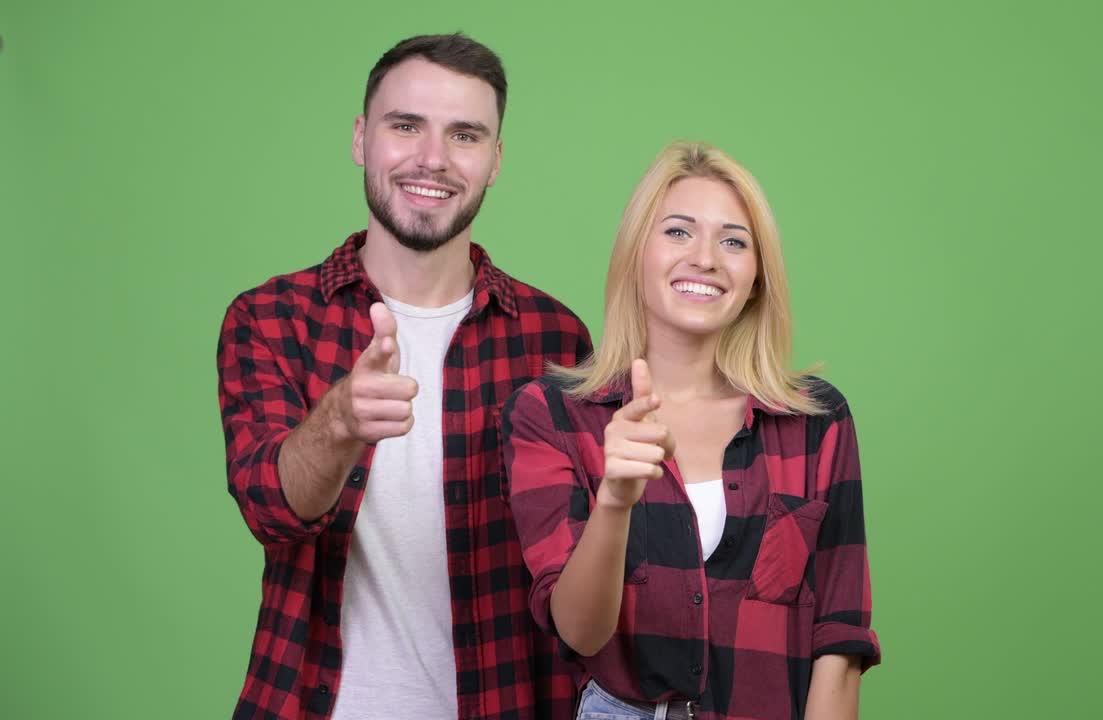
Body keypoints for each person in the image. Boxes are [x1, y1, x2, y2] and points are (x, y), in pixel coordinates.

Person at [216, 33, 590, 720]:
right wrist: (339, 423)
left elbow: (581, 574)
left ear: (496, 160)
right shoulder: (271, 318)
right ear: (361, 138)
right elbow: (270, 511)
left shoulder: (556, 340)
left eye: (465, 135)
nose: (432, 159)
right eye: (406, 125)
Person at [502, 141, 880, 719]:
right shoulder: (551, 414)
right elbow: (578, 631)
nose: (706, 258)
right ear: (636, 254)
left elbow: (840, 634)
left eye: (733, 241)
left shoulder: (815, 421)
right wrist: (614, 502)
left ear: (756, 277)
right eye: (678, 232)